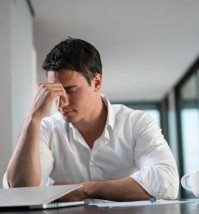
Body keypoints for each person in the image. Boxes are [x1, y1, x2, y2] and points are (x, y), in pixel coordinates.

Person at [3, 38, 179, 201]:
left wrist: (85, 189)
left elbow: (167, 181)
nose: (61, 102)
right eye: (55, 91)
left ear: (96, 83)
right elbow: (21, 191)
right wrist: (32, 118)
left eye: (71, 90)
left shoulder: (137, 123)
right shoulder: (46, 128)